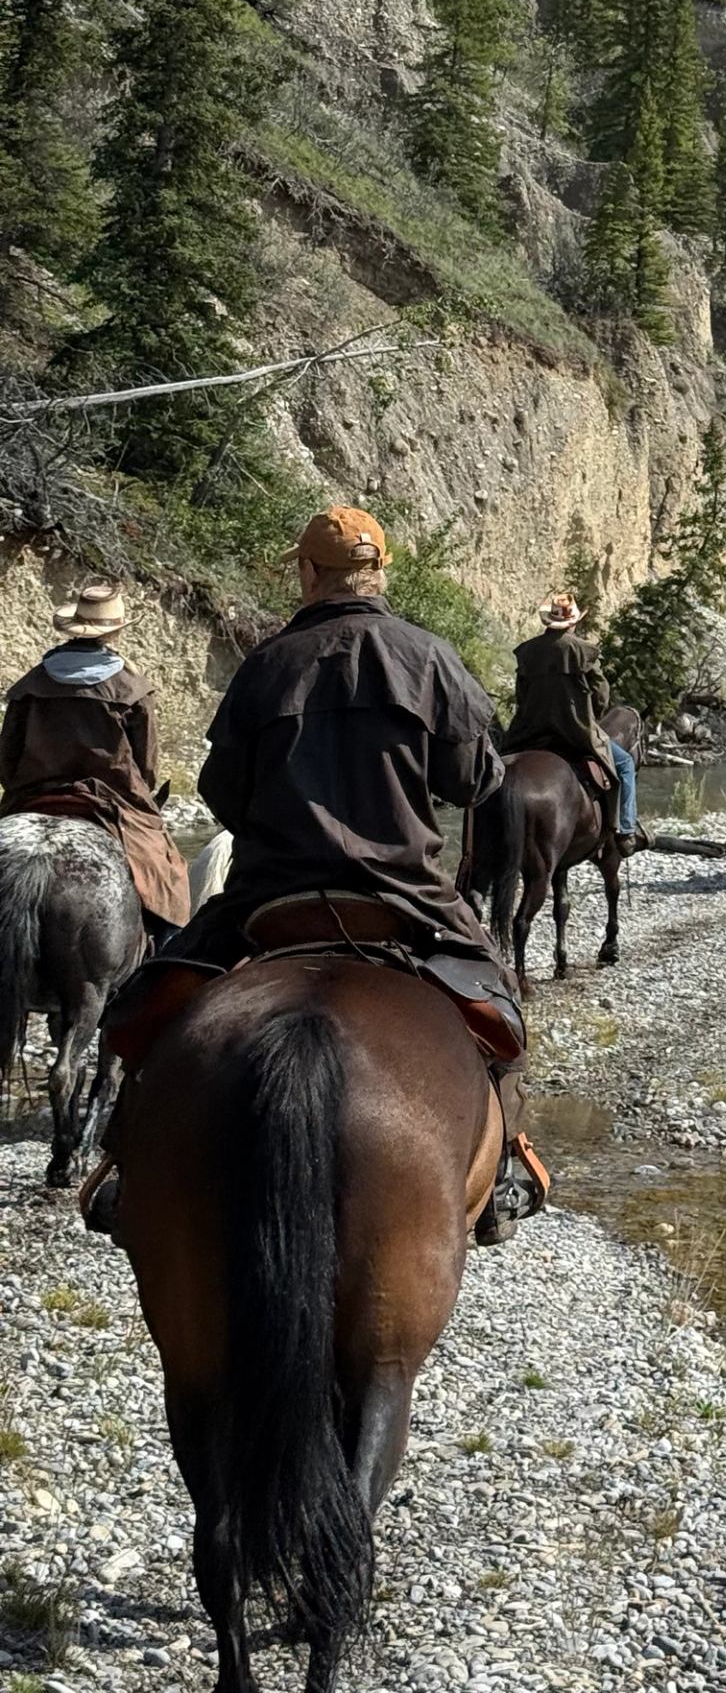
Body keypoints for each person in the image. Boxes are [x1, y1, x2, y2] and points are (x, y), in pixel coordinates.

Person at [90, 507, 542, 1248]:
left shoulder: (268, 665)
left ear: (307, 572)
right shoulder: (428, 657)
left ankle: (124, 1167)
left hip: (271, 898)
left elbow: (223, 792)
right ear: (380, 571)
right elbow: (472, 779)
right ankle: (508, 1171)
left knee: (150, 1002)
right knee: (501, 1014)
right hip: (406, 897)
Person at [0, 582, 190, 941]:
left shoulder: (30, 684)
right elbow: (146, 768)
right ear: (115, 631)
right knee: (167, 875)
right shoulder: (131, 687)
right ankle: (166, 950)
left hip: (33, 792)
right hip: (111, 797)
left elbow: (7, 761)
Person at [501, 594, 637, 842]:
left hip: (528, 733)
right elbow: (601, 693)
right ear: (572, 622)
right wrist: (591, 718)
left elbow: (520, 694)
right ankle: (626, 830)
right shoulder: (582, 651)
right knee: (625, 764)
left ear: (548, 621)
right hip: (575, 733)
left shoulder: (527, 651)